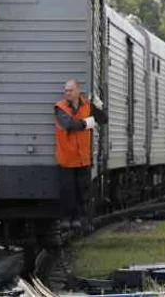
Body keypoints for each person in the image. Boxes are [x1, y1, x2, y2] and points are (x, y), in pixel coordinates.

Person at [54, 79, 108, 231]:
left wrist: (99, 106)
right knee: (67, 191)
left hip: (82, 158)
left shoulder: (88, 106)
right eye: (66, 90)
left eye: (70, 90)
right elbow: (70, 125)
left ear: (78, 91)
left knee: (82, 191)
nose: (67, 93)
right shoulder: (60, 107)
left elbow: (104, 119)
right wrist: (87, 123)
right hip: (66, 158)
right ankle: (66, 220)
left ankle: (81, 221)